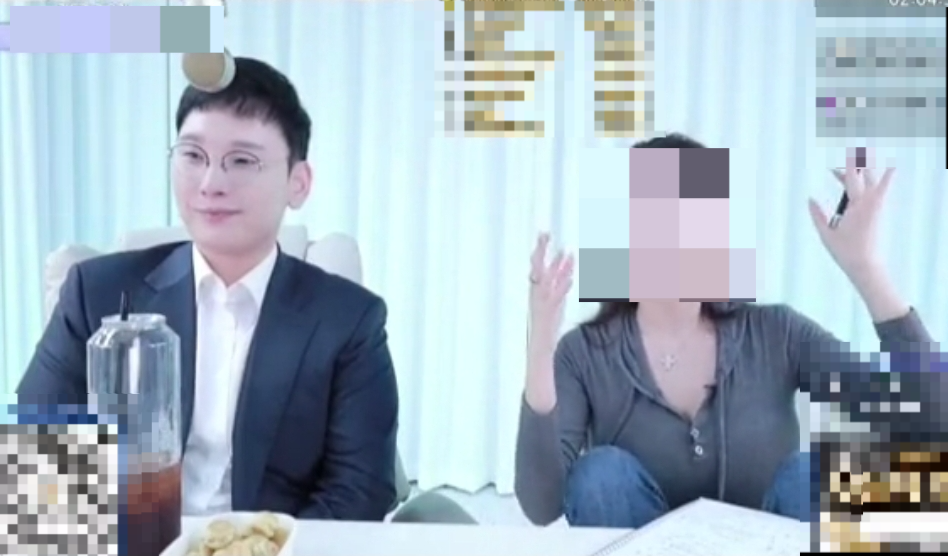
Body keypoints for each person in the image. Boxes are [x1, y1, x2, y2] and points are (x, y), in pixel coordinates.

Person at [17, 57, 399, 521]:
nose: (211, 182)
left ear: (298, 183)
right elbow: (37, 463)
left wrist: (253, 549)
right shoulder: (94, 292)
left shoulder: (348, 320)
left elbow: (359, 490)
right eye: (193, 156)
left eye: (242, 160)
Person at [514, 133, 945, 529]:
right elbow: (541, 505)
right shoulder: (584, 353)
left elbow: (932, 420)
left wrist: (866, 269)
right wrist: (540, 351)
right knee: (600, 476)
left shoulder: (776, 333)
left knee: (810, 476)